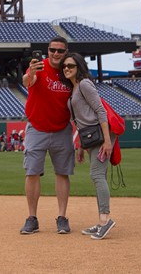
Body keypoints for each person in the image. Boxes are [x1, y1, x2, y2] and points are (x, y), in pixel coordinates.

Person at [20, 37, 74, 235]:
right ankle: (32, 218)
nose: (56, 54)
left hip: (62, 129)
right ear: (47, 50)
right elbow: (27, 81)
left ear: (66, 51)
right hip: (37, 127)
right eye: (53, 50)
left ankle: (62, 217)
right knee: (32, 172)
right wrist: (31, 72)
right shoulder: (39, 68)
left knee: (62, 172)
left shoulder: (69, 70)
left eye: (60, 50)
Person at [61, 52, 116, 240]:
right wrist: (80, 146)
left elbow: (100, 110)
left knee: (97, 174)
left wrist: (108, 141)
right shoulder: (73, 90)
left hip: (101, 135)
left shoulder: (84, 84)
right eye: (65, 66)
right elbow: (80, 121)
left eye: (71, 66)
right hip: (90, 137)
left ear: (79, 68)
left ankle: (105, 220)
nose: (67, 68)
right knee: (97, 175)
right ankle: (101, 221)